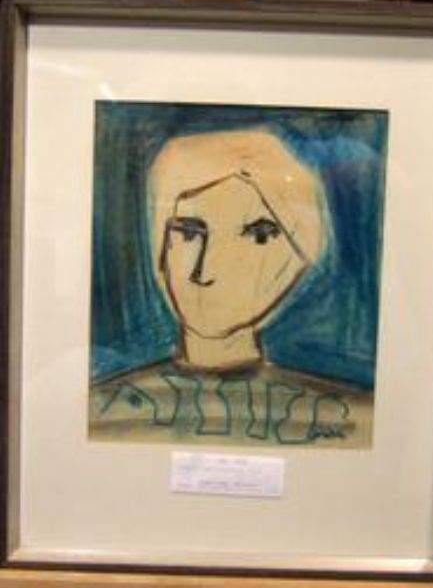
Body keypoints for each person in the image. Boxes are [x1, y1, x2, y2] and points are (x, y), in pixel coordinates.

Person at [90, 129, 373, 446]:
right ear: (161, 248)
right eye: (188, 233)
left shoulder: (351, 419)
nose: (206, 269)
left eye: (258, 235)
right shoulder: (100, 410)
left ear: (300, 256)